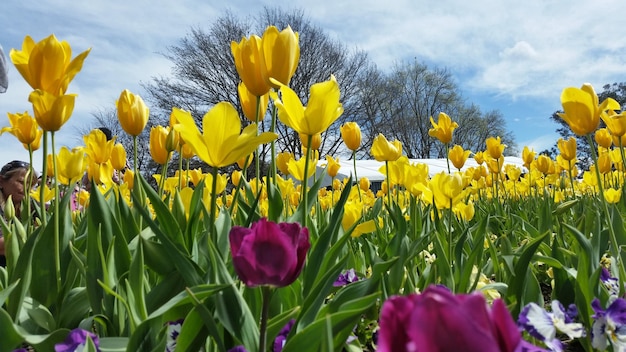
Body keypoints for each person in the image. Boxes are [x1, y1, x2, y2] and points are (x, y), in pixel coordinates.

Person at [0, 160, 38, 266]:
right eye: (22, 182)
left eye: (31, 184)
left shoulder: (31, 204)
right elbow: (3, 246)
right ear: (1, 181)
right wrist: (36, 234)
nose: (27, 188)